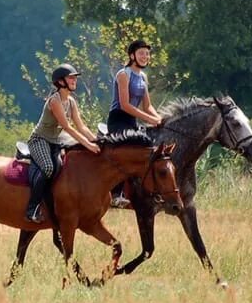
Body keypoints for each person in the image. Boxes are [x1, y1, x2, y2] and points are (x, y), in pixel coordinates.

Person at [25, 63, 100, 223]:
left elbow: (81, 126)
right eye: (70, 78)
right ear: (60, 82)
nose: (74, 80)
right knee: (48, 167)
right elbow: (67, 127)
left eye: (75, 78)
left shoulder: (71, 101)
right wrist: (88, 145)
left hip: (56, 141)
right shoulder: (54, 101)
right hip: (39, 140)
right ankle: (32, 208)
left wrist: (97, 140)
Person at [107, 39, 162, 207]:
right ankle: (116, 194)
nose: (145, 56)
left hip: (132, 120)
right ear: (132, 56)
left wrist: (160, 118)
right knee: (127, 152)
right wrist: (150, 119)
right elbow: (125, 105)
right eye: (141, 53)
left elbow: (148, 106)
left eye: (147, 53)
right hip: (118, 119)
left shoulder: (143, 77)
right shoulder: (123, 74)